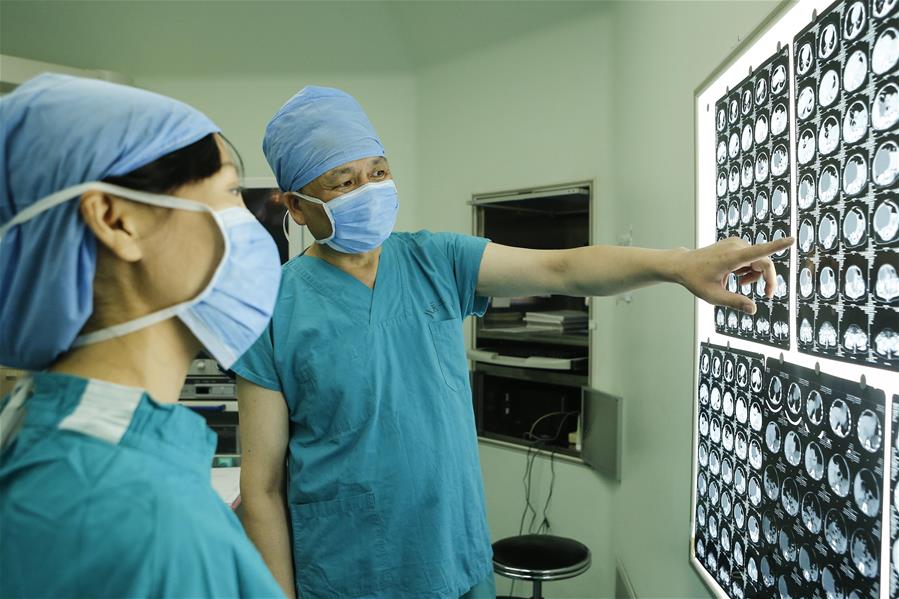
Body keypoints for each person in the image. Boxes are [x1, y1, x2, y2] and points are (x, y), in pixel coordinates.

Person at [234, 86, 793, 599]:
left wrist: (678, 264)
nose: (370, 191)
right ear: (296, 206)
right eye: (344, 183)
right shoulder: (273, 307)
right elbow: (260, 490)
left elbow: (563, 269)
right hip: (345, 574)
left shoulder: (434, 260)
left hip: (455, 560)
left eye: (378, 172)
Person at [0, 74, 285, 598]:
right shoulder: (139, 518)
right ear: (117, 220)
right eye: (228, 193)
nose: (251, 227)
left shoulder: (51, 431)